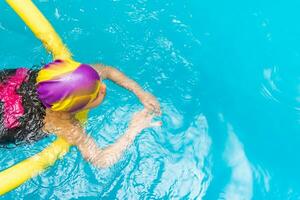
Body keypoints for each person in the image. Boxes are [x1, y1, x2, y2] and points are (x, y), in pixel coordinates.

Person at [0, 60, 161, 168]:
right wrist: (134, 129)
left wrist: (141, 93)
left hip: (11, 88)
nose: (103, 88)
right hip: (11, 121)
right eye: (96, 94)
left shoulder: (60, 81)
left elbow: (107, 70)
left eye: (98, 83)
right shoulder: (64, 125)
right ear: (74, 109)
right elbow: (101, 161)